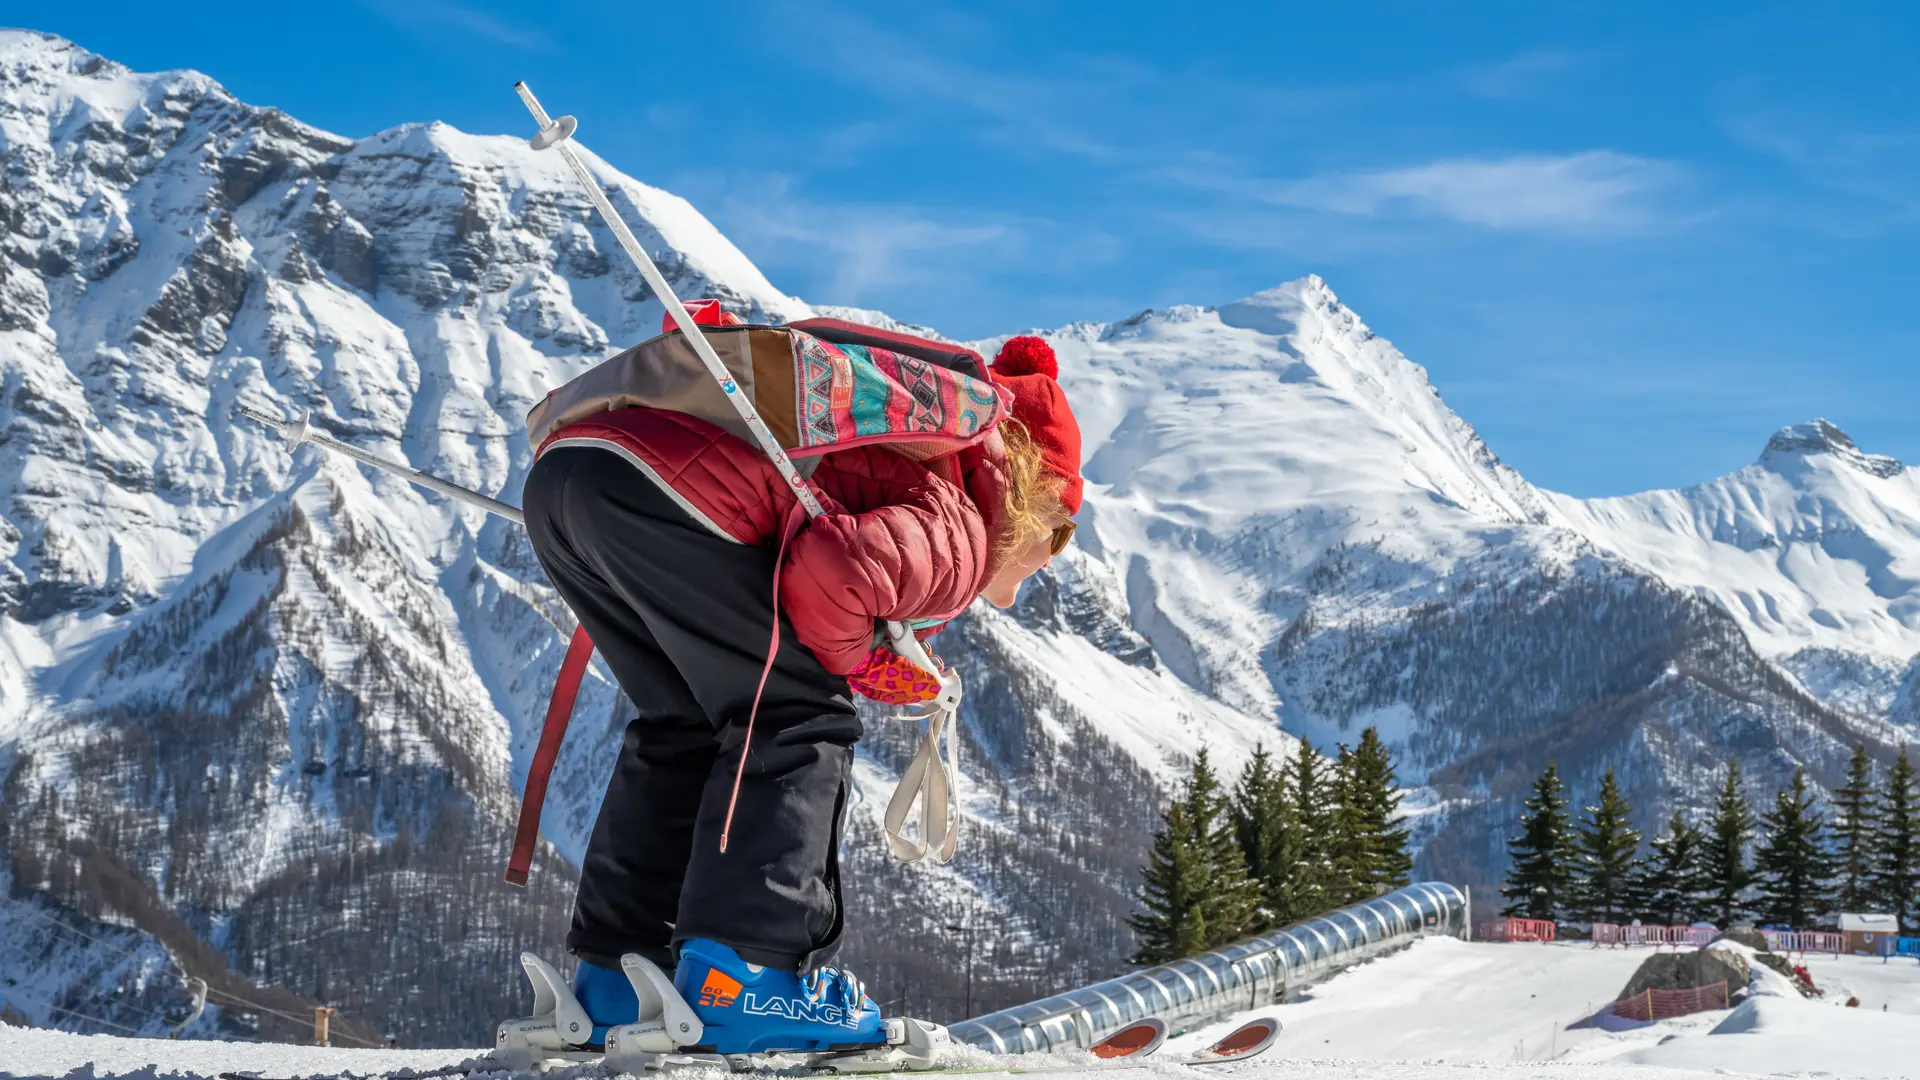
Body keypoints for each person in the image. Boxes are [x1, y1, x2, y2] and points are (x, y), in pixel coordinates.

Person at [521, 313, 1083, 1054]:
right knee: (798, 716)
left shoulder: (918, 466)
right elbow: (836, 575)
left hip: (574, 476)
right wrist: (859, 664)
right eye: (1050, 548)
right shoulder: (963, 527)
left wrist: (867, 656)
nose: (1016, 589)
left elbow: (824, 574)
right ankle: (744, 979)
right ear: (1032, 506)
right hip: (666, 492)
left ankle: (617, 982)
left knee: (688, 721)